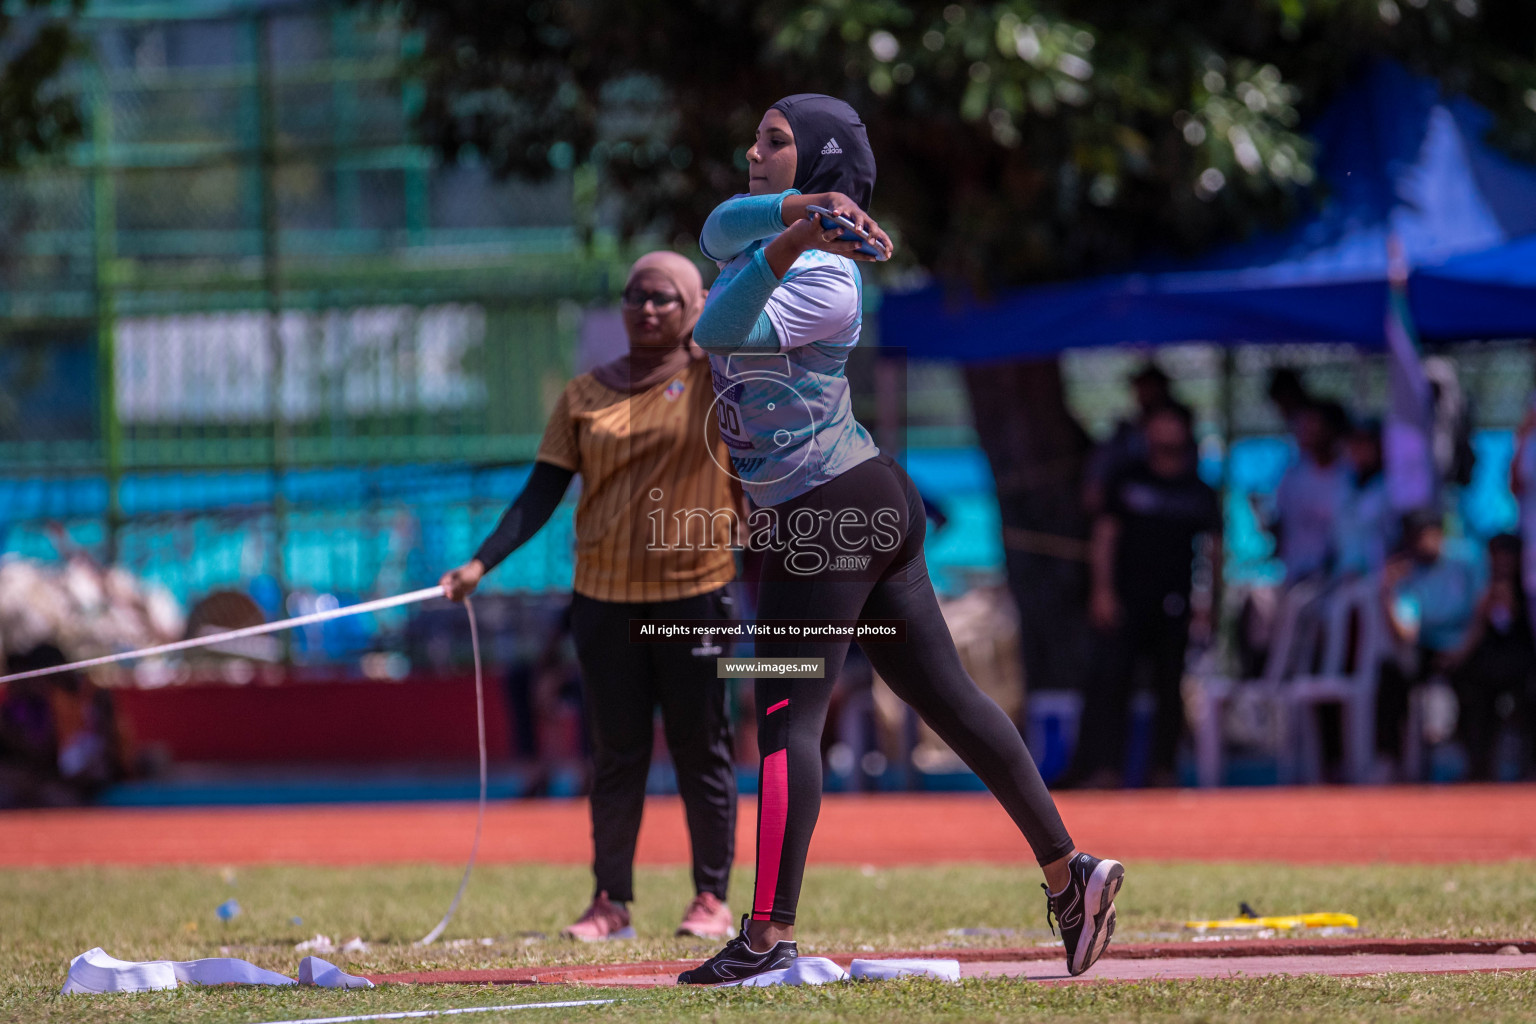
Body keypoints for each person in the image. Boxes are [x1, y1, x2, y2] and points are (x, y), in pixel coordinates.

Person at [675, 93, 1121, 985]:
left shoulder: (829, 278)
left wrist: (799, 237)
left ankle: (766, 937)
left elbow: (714, 329)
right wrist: (796, 212)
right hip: (861, 496)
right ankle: (1071, 874)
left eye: (774, 142)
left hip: (832, 509)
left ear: (823, 161)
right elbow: (714, 230)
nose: (752, 151)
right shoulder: (778, 233)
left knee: (785, 718)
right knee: (948, 699)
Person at [440, 251, 741, 942]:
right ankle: (610, 900)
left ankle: (711, 898)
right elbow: (541, 492)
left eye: (666, 297)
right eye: (636, 295)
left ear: (697, 308)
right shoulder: (582, 394)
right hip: (604, 601)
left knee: (703, 746)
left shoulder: (718, 381)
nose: (647, 308)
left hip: (695, 594)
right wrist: (480, 563)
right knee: (616, 750)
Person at [1068, 403, 1221, 789]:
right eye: (1159, 423)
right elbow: (1104, 537)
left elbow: (1214, 551)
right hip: (1125, 601)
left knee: (1169, 688)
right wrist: (1101, 591)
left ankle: (1163, 771)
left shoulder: (1198, 490)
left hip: (1176, 603)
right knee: (1111, 683)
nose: (1166, 433)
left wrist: (1210, 603)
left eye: (1174, 425)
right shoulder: (1126, 479)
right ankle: (1105, 770)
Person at [1377, 510, 1479, 776]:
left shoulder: (1466, 561)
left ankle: (1475, 766)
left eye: (1430, 534)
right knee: (1392, 676)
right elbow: (1406, 632)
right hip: (1426, 645)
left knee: (1479, 681)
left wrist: (1462, 650)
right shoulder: (1407, 574)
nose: (1425, 542)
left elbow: (1481, 612)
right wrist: (1387, 592)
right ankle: (1394, 765)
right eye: (1418, 536)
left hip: (1466, 643)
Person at [1442, 534, 1534, 781]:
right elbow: (1478, 630)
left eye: (1508, 557)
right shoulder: (1483, 587)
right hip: (1489, 663)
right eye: (1496, 557)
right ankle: (1479, 765)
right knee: (1469, 685)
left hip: (1523, 663)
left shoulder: (1528, 588)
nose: (1502, 563)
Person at [1260, 400, 1351, 582]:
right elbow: (1278, 522)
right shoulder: (1292, 475)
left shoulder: (1349, 476)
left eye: (1313, 424)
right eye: (1303, 424)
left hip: (1338, 579)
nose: (1306, 430)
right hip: (1294, 574)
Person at [1083, 362, 1174, 516]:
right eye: (1140, 388)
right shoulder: (1126, 434)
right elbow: (1094, 489)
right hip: (1128, 513)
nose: (1141, 393)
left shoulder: (1177, 430)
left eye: (1147, 387)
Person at [1334, 419, 1394, 579]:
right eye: (1354, 444)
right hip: (1344, 578)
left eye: (1364, 444)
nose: (1357, 450)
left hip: (1378, 581)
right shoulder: (1344, 483)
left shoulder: (1390, 487)